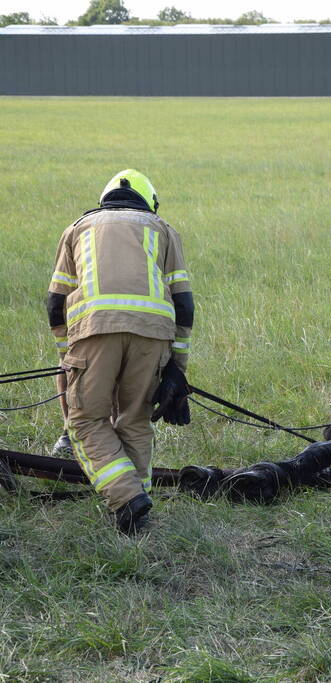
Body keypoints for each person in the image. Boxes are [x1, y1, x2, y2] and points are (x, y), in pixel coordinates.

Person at [46, 169, 194, 534]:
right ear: (149, 201)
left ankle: (127, 497)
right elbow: (185, 303)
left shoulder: (78, 228)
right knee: (135, 419)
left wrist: (68, 356)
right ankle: (138, 509)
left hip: (94, 331)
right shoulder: (162, 229)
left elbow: (55, 303)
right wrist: (177, 367)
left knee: (84, 421)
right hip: (153, 335)